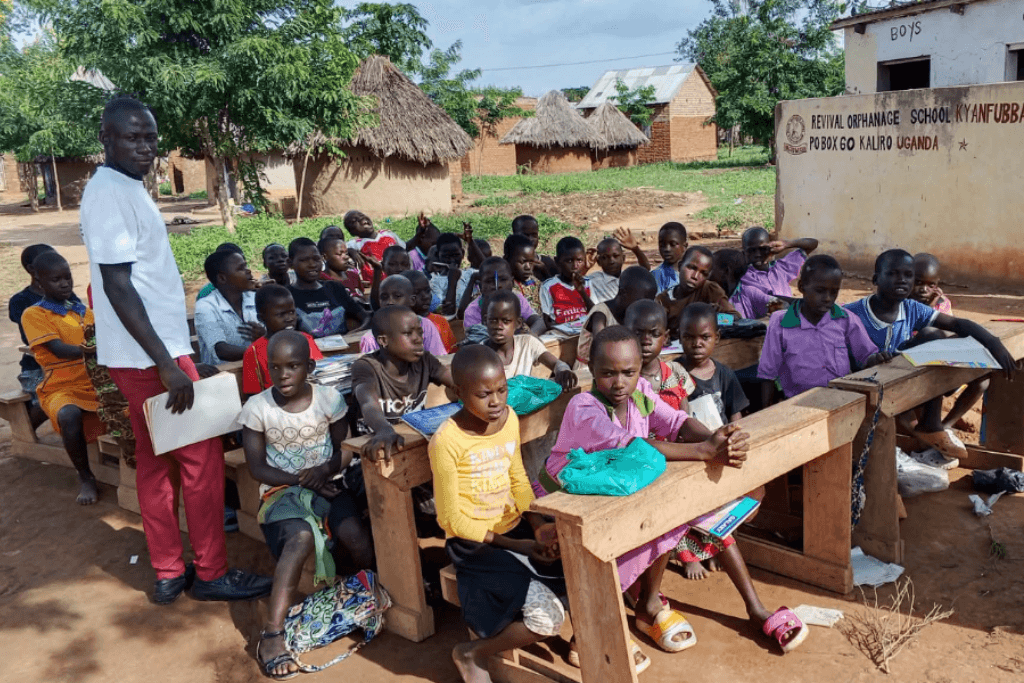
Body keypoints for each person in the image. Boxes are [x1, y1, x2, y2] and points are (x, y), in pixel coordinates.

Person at [81, 96, 271, 603]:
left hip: (147, 351)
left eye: (150, 138)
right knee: (201, 459)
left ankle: (168, 570)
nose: (145, 147)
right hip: (150, 357)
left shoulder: (123, 187)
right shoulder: (109, 194)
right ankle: (209, 572)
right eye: (132, 137)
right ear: (106, 137)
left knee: (154, 460)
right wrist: (168, 363)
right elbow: (116, 287)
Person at [538, 327, 806, 654]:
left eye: (629, 372)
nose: (619, 382)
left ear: (640, 370)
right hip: (572, 499)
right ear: (591, 370)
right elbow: (634, 447)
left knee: (679, 509)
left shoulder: (640, 396)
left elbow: (678, 423)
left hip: (619, 488)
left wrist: (717, 440)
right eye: (608, 373)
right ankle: (595, 627)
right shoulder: (584, 406)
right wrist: (704, 451)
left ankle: (739, 609)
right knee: (655, 516)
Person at [239, 331, 372, 679]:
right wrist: (302, 479)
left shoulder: (328, 398)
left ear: (309, 367)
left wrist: (325, 471)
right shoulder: (257, 408)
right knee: (298, 539)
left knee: (357, 536)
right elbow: (257, 468)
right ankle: (271, 634)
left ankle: (363, 599)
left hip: (328, 485)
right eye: (275, 368)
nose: (283, 375)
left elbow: (345, 447)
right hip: (281, 493)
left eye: (293, 366)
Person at [430, 345, 565, 683]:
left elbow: (517, 477)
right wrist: (515, 546)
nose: (496, 401)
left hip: (514, 527)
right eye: (484, 394)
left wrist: (535, 524)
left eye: (502, 390)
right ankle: (473, 653)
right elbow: (450, 519)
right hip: (474, 544)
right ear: (459, 393)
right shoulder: (447, 441)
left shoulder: (508, 420)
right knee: (547, 618)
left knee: (573, 567)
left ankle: (579, 639)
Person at [846, 249, 1017, 465]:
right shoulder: (851, 313)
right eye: (893, 274)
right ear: (875, 279)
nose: (902, 280)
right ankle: (927, 427)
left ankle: (933, 424)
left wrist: (993, 342)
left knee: (935, 335)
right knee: (930, 335)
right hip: (865, 385)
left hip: (900, 378)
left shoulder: (911, 308)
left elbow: (958, 324)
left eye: (908, 275)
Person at [21, 251, 101, 505]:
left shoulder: (82, 311)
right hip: (61, 385)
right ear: (39, 282)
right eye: (56, 279)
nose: (65, 284)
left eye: (68, 278)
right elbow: (58, 349)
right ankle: (85, 476)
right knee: (68, 414)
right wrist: (96, 349)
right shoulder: (34, 315)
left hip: (93, 381)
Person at [758, 257, 888, 400]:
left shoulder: (845, 319)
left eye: (834, 292)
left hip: (841, 399)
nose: (827, 298)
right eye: (820, 291)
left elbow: (866, 356)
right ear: (802, 287)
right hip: (798, 403)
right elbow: (767, 374)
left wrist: (876, 359)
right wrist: (767, 413)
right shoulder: (780, 322)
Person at [351, 306, 455, 459]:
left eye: (420, 332)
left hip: (411, 443)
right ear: (383, 340)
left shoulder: (425, 361)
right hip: (373, 449)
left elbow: (457, 383)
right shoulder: (366, 367)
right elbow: (368, 403)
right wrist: (383, 429)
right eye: (408, 333)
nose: (418, 339)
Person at [911, 253, 988, 438]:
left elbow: (952, 332)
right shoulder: (902, 303)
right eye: (918, 282)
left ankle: (945, 426)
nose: (924, 290)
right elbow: (917, 336)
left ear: (938, 283)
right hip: (915, 368)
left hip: (942, 364)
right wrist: (927, 309)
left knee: (983, 379)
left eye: (931, 285)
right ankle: (927, 432)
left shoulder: (942, 302)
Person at [9, 243, 76, 431]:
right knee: (51, 400)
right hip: (38, 368)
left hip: (72, 361)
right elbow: (29, 339)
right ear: (32, 270)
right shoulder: (21, 301)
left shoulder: (68, 295)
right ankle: (25, 429)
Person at [483, 291, 577, 389]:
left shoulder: (527, 343)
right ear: (486, 321)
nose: (499, 326)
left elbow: (556, 363)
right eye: (493, 321)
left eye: (506, 321)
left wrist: (563, 371)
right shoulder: (480, 355)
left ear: (518, 323)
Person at [242, 285, 323, 396]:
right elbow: (252, 394)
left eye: (291, 312)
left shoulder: (305, 339)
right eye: (281, 314)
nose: (290, 318)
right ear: (261, 318)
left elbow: (319, 374)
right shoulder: (253, 352)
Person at [287, 237, 368, 338]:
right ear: (290, 263)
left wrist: (355, 333)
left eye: (316, 259)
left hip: (344, 349)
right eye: (304, 260)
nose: (312, 264)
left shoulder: (335, 288)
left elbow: (365, 316)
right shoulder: (287, 295)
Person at [576, 266, 656, 366]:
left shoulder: (634, 315)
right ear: (623, 293)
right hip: (591, 370)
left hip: (621, 367)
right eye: (640, 301)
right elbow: (602, 349)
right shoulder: (601, 315)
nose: (644, 307)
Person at [194, 249, 263, 366]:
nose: (248, 271)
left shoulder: (255, 298)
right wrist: (261, 348)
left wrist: (264, 336)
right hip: (224, 377)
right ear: (222, 278)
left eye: (246, 266)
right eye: (241, 268)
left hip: (257, 369)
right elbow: (221, 350)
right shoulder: (206, 307)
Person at [623, 300, 695, 412]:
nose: (646, 341)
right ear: (625, 334)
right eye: (638, 334)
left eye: (654, 334)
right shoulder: (623, 380)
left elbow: (685, 413)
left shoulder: (675, 372)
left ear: (665, 338)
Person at [731, 227, 815, 318]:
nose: (757, 254)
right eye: (751, 251)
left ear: (770, 248)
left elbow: (812, 244)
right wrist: (799, 304)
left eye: (762, 249)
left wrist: (786, 244)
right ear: (744, 253)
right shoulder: (744, 275)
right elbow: (769, 298)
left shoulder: (780, 267)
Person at [656, 246, 737, 337]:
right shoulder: (663, 300)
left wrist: (714, 317)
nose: (695, 276)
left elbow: (734, 318)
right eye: (692, 268)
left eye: (703, 273)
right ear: (679, 266)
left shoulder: (710, 290)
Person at [359, 275, 448, 356]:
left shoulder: (425, 326)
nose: (390, 302)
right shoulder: (371, 339)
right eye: (384, 297)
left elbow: (438, 360)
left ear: (412, 300)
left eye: (397, 296)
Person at [462, 257, 545, 335]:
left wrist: (531, 337)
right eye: (489, 281)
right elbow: (476, 341)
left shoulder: (517, 298)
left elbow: (539, 321)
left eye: (503, 280)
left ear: (512, 283)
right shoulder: (473, 311)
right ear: (480, 286)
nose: (497, 285)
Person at [540, 236, 593, 330]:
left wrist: (582, 292)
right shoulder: (548, 287)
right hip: (561, 335)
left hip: (587, 331)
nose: (575, 266)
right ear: (557, 262)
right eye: (569, 261)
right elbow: (547, 322)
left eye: (579, 260)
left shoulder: (589, 283)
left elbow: (596, 313)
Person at [586, 227, 651, 304]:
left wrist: (635, 249)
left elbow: (646, 269)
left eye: (615, 256)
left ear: (623, 258)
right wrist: (584, 268)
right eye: (605, 257)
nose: (611, 261)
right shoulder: (593, 279)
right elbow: (573, 284)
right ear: (599, 262)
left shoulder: (629, 276)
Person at [344, 210, 405, 284]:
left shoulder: (388, 234)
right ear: (352, 232)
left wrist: (418, 236)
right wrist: (350, 251)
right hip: (374, 285)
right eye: (354, 220)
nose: (360, 219)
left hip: (399, 279)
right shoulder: (354, 244)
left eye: (362, 215)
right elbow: (338, 250)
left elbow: (405, 247)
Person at [405, 270, 457, 353]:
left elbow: (450, 353)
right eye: (417, 293)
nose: (425, 296)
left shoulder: (440, 321)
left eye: (427, 291)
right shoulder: (400, 325)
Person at [429, 233, 476, 316]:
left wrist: (471, 241)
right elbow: (448, 312)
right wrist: (452, 281)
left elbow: (491, 269)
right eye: (446, 256)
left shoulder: (470, 273)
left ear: (462, 253)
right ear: (437, 255)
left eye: (456, 255)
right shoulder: (434, 283)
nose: (452, 260)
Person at [504, 233, 545, 327]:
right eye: (522, 262)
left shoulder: (536, 282)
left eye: (531, 262)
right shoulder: (503, 286)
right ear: (507, 259)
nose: (528, 267)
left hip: (540, 330)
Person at [318, 235, 364, 301]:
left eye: (346, 253)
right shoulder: (321, 279)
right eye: (340, 254)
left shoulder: (353, 276)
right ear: (325, 257)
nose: (346, 257)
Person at [512, 214, 556, 280]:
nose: (530, 239)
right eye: (525, 235)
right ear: (514, 236)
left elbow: (559, 287)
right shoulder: (507, 264)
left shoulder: (547, 262)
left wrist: (545, 272)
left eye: (534, 235)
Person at [368, 244, 413, 310]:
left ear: (409, 266)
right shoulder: (382, 287)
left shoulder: (413, 284)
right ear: (383, 266)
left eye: (404, 264)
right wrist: (377, 271)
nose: (399, 268)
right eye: (392, 264)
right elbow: (376, 307)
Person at [653, 222, 688, 293]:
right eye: (662, 245)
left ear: (684, 246)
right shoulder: (657, 276)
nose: (667, 249)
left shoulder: (695, 273)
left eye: (673, 244)